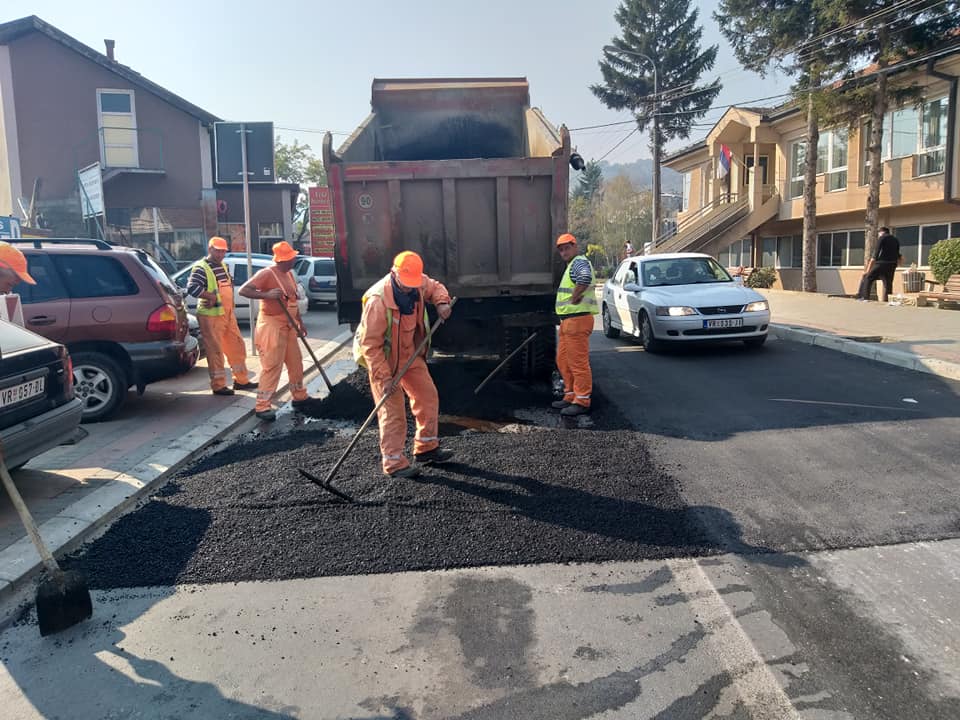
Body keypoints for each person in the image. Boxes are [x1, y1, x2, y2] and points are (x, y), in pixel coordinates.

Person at [354, 251, 454, 478]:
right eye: (407, 283)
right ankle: (394, 463)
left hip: (410, 355)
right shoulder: (378, 301)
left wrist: (442, 303)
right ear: (395, 273)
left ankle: (426, 447)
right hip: (384, 361)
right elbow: (370, 345)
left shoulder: (418, 282)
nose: (410, 288)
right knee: (393, 412)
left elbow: (435, 287)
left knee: (427, 396)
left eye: (414, 283)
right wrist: (384, 378)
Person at [238, 241, 312, 421]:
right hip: (272, 325)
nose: (293, 261)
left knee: (296, 363)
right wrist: (266, 295)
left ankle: (299, 396)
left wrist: (300, 322)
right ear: (281, 260)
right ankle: (262, 406)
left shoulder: (290, 274)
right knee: (272, 366)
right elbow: (243, 290)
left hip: (289, 325)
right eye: (291, 258)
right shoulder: (267, 274)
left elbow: (292, 301)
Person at [186, 237, 258, 396]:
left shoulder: (223, 266)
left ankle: (241, 380)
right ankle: (218, 386)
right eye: (217, 251)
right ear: (210, 249)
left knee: (237, 347)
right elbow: (192, 287)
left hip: (227, 315)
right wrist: (210, 297)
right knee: (216, 352)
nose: (220, 254)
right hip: (211, 317)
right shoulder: (201, 267)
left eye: (223, 251)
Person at [552, 233, 598, 417]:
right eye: (561, 250)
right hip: (569, 322)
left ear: (575, 247)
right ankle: (570, 395)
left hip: (578, 320)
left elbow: (584, 278)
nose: (564, 252)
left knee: (578, 363)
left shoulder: (579, 262)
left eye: (567, 248)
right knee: (563, 360)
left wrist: (575, 296)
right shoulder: (572, 265)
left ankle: (582, 400)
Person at [857, 226, 901, 302]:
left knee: (868, 277)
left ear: (881, 232)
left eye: (879, 233)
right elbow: (898, 255)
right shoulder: (896, 240)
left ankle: (865, 297)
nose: (878, 235)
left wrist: (867, 271)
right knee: (888, 283)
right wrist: (897, 264)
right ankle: (887, 300)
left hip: (881, 263)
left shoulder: (882, 238)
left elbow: (875, 256)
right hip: (892, 264)